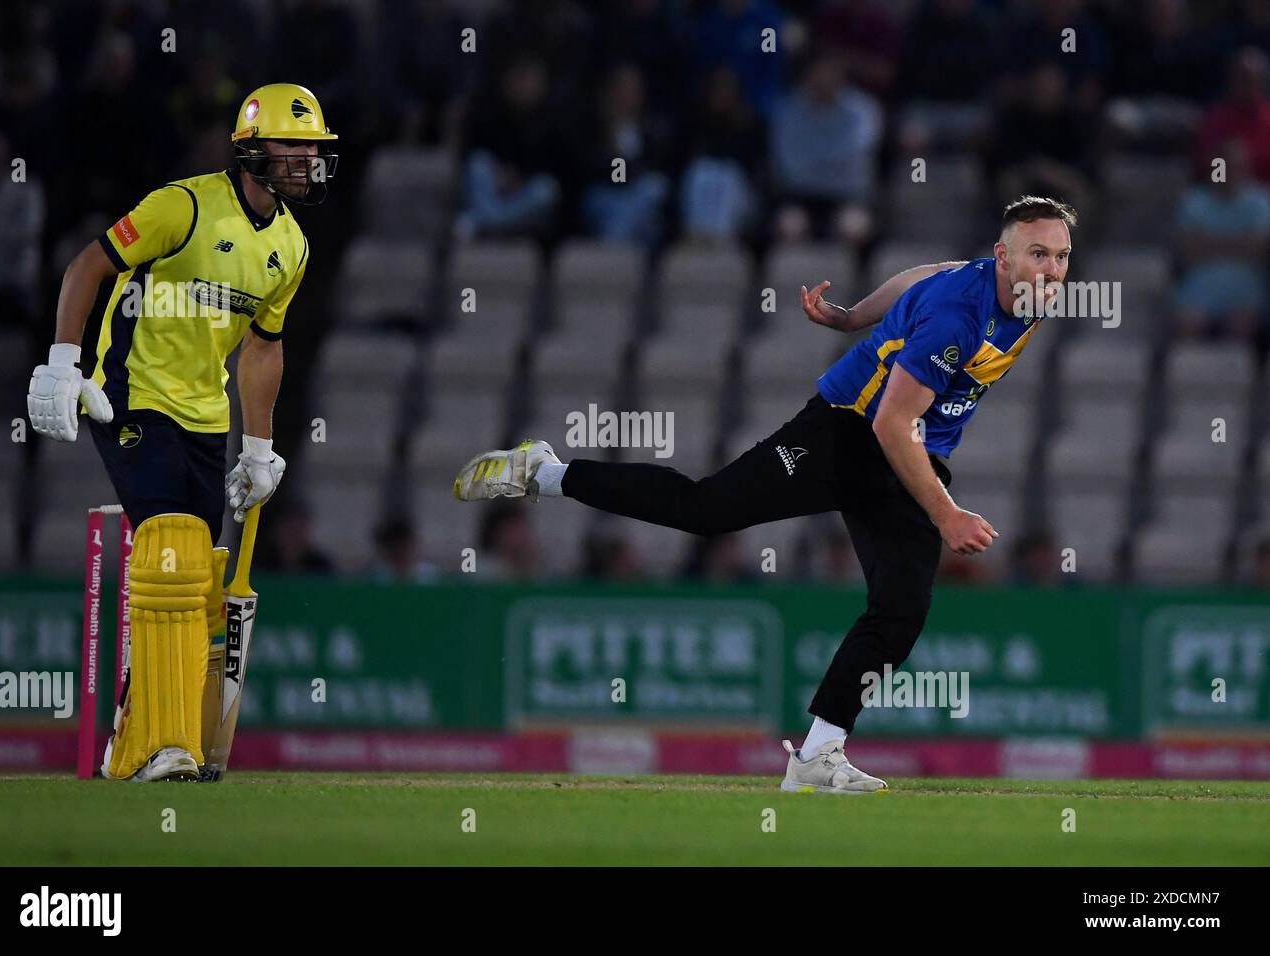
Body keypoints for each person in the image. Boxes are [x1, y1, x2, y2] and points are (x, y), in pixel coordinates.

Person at [454, 196, 1075, 794]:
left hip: (910, 457)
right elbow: (891, 420)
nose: (1051, 270)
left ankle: (816, 756)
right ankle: (548, 472)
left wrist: (854, 315)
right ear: (1002, 255)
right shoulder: (958, 318)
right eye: (1038, 255)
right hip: (846, 431)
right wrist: (946, 512)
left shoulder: (1017, 290)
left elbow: (928, 271)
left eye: (1061, 257)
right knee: (705, 510)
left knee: (902, 608)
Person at [25, 83, 338, 782]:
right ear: (252, 148)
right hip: (131, 395)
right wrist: (61, 363)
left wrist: (259, 446)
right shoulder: (184, 205)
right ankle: (160, 747)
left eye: (314, 148)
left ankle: (143, 740)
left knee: (197, 579)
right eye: (293, 145)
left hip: (205, 415)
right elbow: (89, 265)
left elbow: (262, 348)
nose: (306, 160)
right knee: (169, 548)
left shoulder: (290, 246)